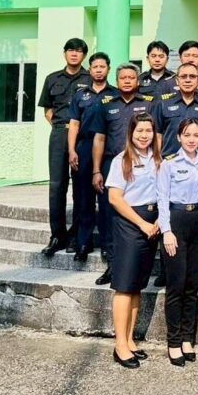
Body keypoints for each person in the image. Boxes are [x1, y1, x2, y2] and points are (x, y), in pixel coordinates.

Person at [87, 63, 153, 286]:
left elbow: (156, 135)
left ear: (138, 81)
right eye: (123, 77)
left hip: (142, 164)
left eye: (131, 77)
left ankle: (139, 262)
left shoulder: (149, 103)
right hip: (112, 164)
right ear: (117, 81)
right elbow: (99, 139)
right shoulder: (106, 105)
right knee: (109, 214)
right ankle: (113, 265)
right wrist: (97, 170)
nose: (127, 81)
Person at [106, 113, 162, 369]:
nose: (144, 135)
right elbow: (115, 198)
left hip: (153, 223)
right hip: (131, 224)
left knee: (137, 285)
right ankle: (119, 345)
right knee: (124, 286)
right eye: (139, 131)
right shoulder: (122, 160)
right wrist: (142, 224)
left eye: (148, 131)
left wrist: (159, 220)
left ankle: (130, 340)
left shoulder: (157, 159)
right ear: (131, 133)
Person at [157, 119, 198, 366]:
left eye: (196, 135)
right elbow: (162, 199)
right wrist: (166, 231)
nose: (191, 139)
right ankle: (174, 341)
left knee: (192, 284)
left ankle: (188, 337)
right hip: (176, 221)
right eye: (187, 135)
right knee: (176, 285)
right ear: (179, 137)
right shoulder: (169, 164)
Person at [38, 38, 91, 256]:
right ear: (65, 53)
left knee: (81, 186)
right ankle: (57, 235)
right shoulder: (52, 79)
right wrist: (63, 128)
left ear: (84, 55)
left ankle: (77, 234)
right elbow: (47, 111)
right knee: (57, 185)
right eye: (70, 50)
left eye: (78, 51)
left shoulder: (90, 78)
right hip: (60, 133)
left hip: (83, 135)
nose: (74, 54)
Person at [67, 52, 116, 262]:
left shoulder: (115, 94)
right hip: (84, 146)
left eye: (102, 67)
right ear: (90, 70)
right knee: (83, 197)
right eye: (95, 67)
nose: (98, 70)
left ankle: (107, 244)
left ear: (108, 69)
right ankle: (83, 242)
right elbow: (74, 124)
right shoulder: (80, 95)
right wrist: (72, 150)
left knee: (106, 198)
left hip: (108, 148)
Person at [152, 61, 198, 158]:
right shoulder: (163, 104)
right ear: (177, 81)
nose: (188, 80)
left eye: (192, 76)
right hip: (170, 161)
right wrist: (157, 160)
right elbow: (157, 134)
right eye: (183, 76)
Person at [157, 41, 198, 105]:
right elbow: (161, 107)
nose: (190, 59)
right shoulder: (168, 83)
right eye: (186, 55)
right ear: (180, 58)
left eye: (195, 56)